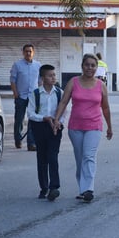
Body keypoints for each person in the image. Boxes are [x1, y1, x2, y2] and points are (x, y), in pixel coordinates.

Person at [53, 53, 113, 203]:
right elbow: (63, 102)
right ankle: (82, 188)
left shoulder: (101, 85)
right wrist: (56, 120)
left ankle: (88, 189)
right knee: (80, 158)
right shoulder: (73, 82)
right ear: (82, 66)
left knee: (89, 156)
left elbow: (105, 108)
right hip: (76, 127)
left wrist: (109, 127)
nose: (90, 68)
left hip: (94, 126)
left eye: (93, 65)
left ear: (96, 68)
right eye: (87, 65)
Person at [27, 64, 67, 201]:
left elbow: (64, 111)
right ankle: (43, 188)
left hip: (55, 128)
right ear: (42, 78)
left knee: (53, 156)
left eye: (54, 75)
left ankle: (54, 187)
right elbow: (31, 113)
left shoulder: (59, 92)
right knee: (42, 158)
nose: (53, 78)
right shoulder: (35, 94)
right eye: (50, 75)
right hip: (40, 127)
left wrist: (58, 122)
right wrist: (43, 118)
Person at [10, 44, 41, 151]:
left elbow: (40, 81)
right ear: (23, 52)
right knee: (19, 119)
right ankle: (18, 139)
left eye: (30, 51)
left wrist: (40, 93)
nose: (28, 53)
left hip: (33, 96)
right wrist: (15, 93)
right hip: (21, 96)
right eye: (26, 51)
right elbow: (13, 80)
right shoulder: (17, 65)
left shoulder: (38, 65)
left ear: (33, 52)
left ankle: (31, 143)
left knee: (32, 120)